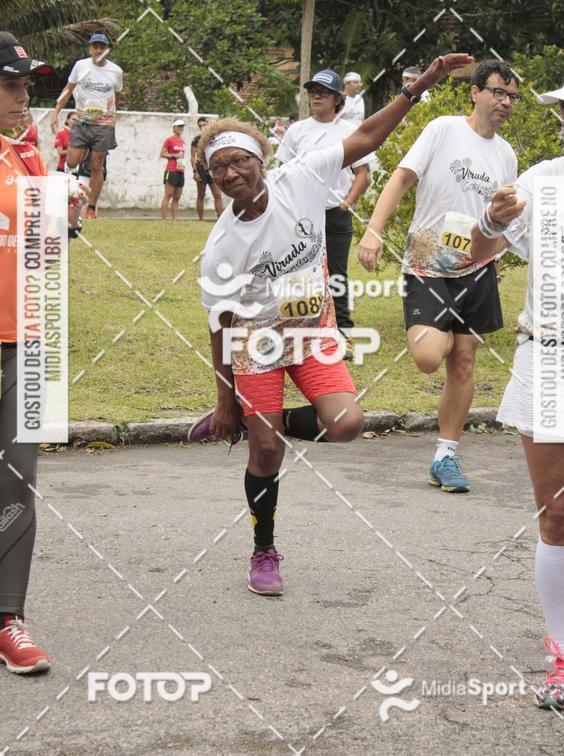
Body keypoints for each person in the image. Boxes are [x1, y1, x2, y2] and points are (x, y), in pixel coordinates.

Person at [188, 52, 472, 597]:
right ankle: (264, 546)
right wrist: (225, 399)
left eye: (238, 162)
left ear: (260, 160)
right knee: (267, 453)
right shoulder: (222, 245)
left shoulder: (303, 177)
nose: (230, 174)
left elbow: (366, 136)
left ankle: (260, 422)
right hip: (257, 339)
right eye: (218, 168)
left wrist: (423, 85)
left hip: (313, 329)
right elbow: (220, 325)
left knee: (345, 424)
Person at [470, 56, 564, 711]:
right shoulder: (543, 179)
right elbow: (476, 249)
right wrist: (492, 220)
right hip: (552, 364)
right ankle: (563, 658)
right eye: (563, 107)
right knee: (557, 518)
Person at [357, 60, 520, 493]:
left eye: (512, 96)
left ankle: (445, 455)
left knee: (464, 361)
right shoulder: (443, 129)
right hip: (430, 257)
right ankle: (441, 329)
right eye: (498, 92)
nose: (505, 102)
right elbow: (402, 178)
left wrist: (496, 255)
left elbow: (501, 217)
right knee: (430, 358)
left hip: (478, 266)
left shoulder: (506, 154)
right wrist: (374, 231)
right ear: (475, 92)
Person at [0, 30, 86, 674]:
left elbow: (44, 253)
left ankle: (9, 619)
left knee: (16, 487)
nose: (24, 95)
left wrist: (63, 212)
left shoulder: (29, 156)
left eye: (26, 84)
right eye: (11, 85)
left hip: (26, 343)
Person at [277, 69, 373, 352]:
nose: (316, 96)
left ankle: (343, 333)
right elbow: (283, 172)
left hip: (335, 214)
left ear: (337, 99)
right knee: (297, 270)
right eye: (312, 92)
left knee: (336, 274)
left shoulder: (349, 131)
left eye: (323, 92)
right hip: (302, 214)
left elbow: (363, 175)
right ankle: (297, 332)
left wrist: (346, 204)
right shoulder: (297, 131)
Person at [50, 31, 123, 219]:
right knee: (72, 161)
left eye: (102, 47)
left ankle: (91, 206)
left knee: (97, 164)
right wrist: (56, 111)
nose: (98, 50)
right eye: (95, 46)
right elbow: (68, 89)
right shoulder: (80, 66)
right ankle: (69, 192)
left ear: (106, 50)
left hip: (104, 123)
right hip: (82, 121)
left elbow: (118, 94)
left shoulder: (115, 71)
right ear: (90, 48)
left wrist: (114, 115)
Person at [191, 117, 223, 220]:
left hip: (213, 168)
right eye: (200, 125)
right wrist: (195, 171)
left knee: (217, 194)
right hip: (201, 168)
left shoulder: (214, 138)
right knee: (201, 194)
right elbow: (192, 157)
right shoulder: (196, 140)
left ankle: (220, 218)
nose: (203, 127)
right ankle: (201, 219)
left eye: (204, 124)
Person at [160, 119, 187, 221]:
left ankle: (174, 220)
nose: (181, 128)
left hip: (181, 170)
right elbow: (162, 153)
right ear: (174, 128)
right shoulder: (169, 140)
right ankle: (164, 220)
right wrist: (174, 155)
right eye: (179, 126)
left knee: (177, 197)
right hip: (171, 170)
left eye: (182, 126)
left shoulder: (183, 141)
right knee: (168, 195)